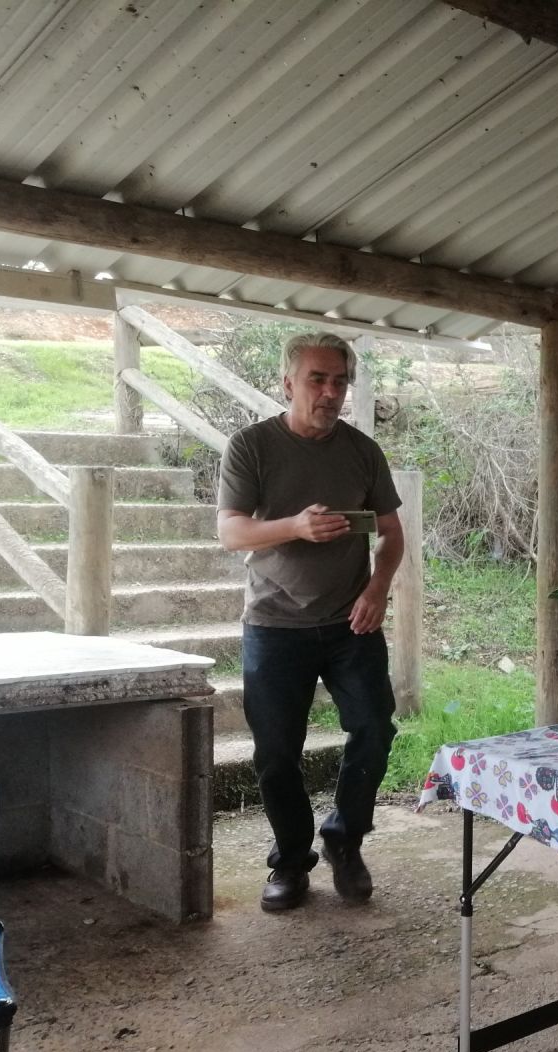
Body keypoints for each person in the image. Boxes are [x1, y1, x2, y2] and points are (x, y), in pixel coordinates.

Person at [216, 332, 404, 913]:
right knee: (276, 753)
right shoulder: (251, 447)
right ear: (288, 383)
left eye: (340, 381)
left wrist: (377, 589)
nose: (330, 392)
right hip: (274, 624)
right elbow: (231, 532)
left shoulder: (363, 452)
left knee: (374, 729)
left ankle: (345, 840)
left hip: (352, 622)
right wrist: (293, 527)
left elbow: (392, 534)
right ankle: (291, 861)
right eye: (317, 379)